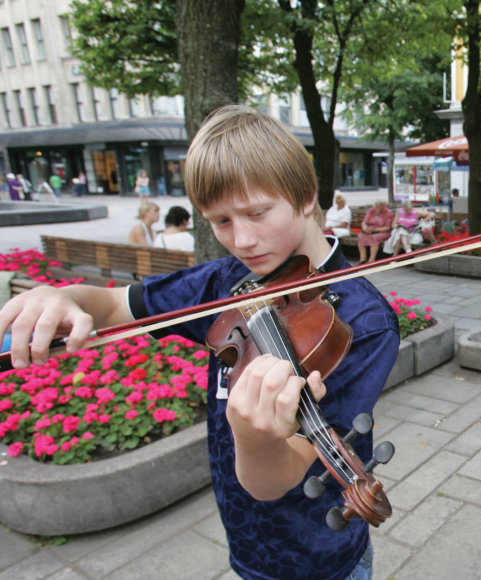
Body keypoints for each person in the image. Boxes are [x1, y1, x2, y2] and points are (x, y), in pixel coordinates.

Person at [0, 105, 400, 579]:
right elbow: (112, 306)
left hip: (319, 554)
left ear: (307, 195)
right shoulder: (227, 280)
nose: (244, 240)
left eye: (257, 212)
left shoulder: (361, 320)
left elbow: (279, 478)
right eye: (221, 221)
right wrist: (62, 296)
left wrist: (252, 440)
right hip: (246, 542)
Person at [356, 199, 393, 264]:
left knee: (374, 237)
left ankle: (371, 259)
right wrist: (365, 229)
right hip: (370, 230)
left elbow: (387, 227)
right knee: (361, 236)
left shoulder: (388, 212)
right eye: (381, 205)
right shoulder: (371, 210)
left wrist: (374, 230)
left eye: (384, 205)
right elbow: (364, 222)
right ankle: (363, 258)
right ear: (377, 206)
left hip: (383, 231)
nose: (384, 207)